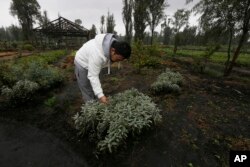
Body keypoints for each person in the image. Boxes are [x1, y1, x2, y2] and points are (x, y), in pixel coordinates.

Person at [74, 33, 131, 104]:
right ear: (113, 51)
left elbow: (95, 74)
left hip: (94, 62)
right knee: (87, 88)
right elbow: (93, 76)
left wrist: (99, 94)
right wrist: (101, 96)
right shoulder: (97, 54)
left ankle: (98, 101)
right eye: (119, 59)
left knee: (96, 85)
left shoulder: (114, 46)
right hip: (82, 63)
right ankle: (91, 108)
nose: (118, 61)